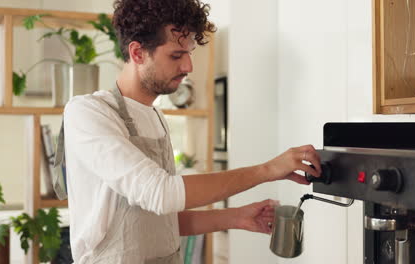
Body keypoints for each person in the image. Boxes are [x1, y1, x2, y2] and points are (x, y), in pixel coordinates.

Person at [59, 0, 322, 263]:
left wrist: (237, 217)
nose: (188, 67)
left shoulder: (156, 117)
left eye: (190, 54)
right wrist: (266, 170)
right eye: (176, 55)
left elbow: (158, 222)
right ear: (138, 53)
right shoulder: (88, 113)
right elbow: (161, 194)